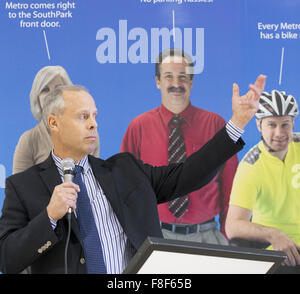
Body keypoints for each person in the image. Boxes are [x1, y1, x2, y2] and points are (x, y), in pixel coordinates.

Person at [0, 75, 265, 274]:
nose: (93, 123)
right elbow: (7, 259)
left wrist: (237, 123)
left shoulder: (125, 170)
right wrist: (49, 217)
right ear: (54, 123)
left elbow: (188, 174)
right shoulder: (23, 186)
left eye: (94, 115)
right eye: (83, 116)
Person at [120, 49, 238, 244]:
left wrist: (227, 236)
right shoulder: (138, 128)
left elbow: (232, 188)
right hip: (155, 236)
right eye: (169, 76)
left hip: (207, 236)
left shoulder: (215, 124)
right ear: (157, 81)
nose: (176, 84)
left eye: (183, 77)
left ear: (192, 81)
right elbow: (124, 188)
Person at [225, 89, 300, 273]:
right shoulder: (251, 166)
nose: (279, 132)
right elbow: (232, 226)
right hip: (277, 252)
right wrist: (273, 235)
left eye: (285, 124)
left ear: (293, 123)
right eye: (271, 124)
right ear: (259, 125)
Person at [13, 65, 99, 174]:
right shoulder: (29, 140)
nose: (51, 94)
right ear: (36, 97)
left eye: (58, 89)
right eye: (45, 89)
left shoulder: (90, 134)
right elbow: (18, 187)